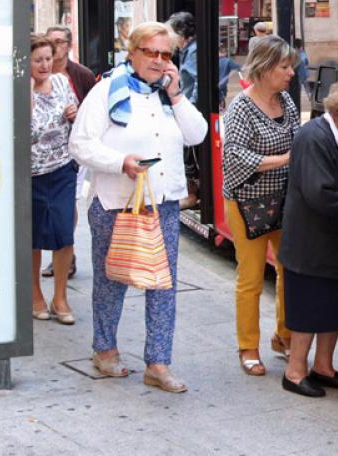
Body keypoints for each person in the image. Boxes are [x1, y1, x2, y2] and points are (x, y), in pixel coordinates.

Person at [69, 21, 207, 392]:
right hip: (116, 202)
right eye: (152, 53)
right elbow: (79, 144)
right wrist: (121, 163)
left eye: (167, 54)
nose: (160, 61)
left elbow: (197, 135)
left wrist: (177, 94)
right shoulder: (106, 91)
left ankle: (158, 363)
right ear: (133, 53)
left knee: (163, 284)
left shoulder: (168, 94)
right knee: (112, 279)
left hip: (161, 203)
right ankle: (105, 349)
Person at [277, 81, 338, 397]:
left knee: (336, 309)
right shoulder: (313, 137)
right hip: (311, 247)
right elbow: (320, 194)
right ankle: (295, 372)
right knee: (308, 311)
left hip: (335, 246)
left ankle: (323, 367)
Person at [221, 35, 299, 377]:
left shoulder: (287, 102)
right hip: (246, 203)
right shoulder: (241, 107)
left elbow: (298, 138)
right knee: (251, 278)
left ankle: (284, 336)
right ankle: (248, 347)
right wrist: (285, 159)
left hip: (283, 201)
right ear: (265, 68)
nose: (290, 73)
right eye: (284, 66)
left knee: (289, 272)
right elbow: (234, 155)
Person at [29, 34, 79, 324]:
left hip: (61, 169)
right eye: (38, 60)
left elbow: (76, 114)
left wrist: (73, 113)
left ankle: (60, 297)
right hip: (31, 173)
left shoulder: (61, 82)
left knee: (64, 234)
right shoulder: (21, 90)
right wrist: (29, 98)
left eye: (48, 58)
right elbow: (28, 133)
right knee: (33, 236)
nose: (45, 65)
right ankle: (35, 294)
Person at [43, 25, 94, 279]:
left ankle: (65, 253)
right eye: (49, 40)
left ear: (69, 45)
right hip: (41, 152)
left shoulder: (81, 74)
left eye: (59, 41)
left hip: (72, 149)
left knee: (67, 201)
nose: (53, 46)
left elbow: (93, 110)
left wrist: (78, 113)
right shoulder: (36, 70)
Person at [167, 12, 198, 105]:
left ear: (181, 33)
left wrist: (191, 106)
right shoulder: (185, 50)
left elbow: (198, 84)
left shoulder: (193, 51)